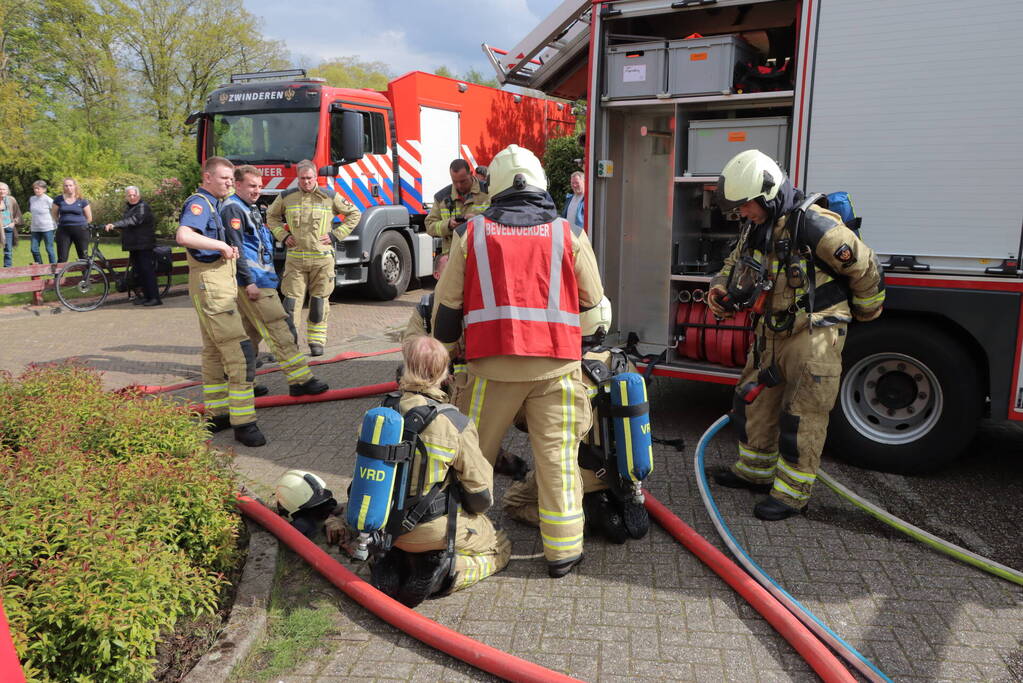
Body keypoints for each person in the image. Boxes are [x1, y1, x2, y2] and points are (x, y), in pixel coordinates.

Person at [432, 144, 604, 578]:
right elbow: (593, 302)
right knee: (558, 457)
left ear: (497, 187)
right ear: (540, 183)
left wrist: (445, 353)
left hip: (492, 368)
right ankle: (563, 552)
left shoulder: (472, 232)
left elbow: (448, 309)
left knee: (473, 456)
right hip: (558, 369)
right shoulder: (568, 233)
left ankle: (460, 536)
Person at [706, 149, 885, 521]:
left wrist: (868, 311)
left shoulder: (815, 225)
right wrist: (719, 291)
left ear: (768, 194)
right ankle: (754, 472)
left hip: (814, 330)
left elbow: (865, 266)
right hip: (771, 330)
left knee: (802, 413)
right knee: (753, 401)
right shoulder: (757, 226)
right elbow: (732, 265)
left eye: (745, 205)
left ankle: (792, 494)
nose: (741, 213)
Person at [327, 334, 510, 607]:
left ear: (403, 369)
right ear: (444, 374)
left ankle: (390, 560)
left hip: (383, 525)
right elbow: (481, 494)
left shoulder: (379, 414)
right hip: (434, 530)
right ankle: (448, 572)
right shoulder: (454, 423)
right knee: (501, 544)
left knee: (400, 540)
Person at [501, 297, 651, 543]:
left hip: (573, 473)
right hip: (623, 471)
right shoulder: (624, 364)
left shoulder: (556, 370)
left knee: (513, 502)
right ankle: (611, 497)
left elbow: (525, 423)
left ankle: (582, 517)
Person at [175, 156, 266, 448]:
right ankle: (244, 423)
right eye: (225, 178)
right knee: (240, 353)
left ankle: (218, 414)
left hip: (211, 285)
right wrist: (221, 245)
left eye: (231, 179)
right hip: (211, 285)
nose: (230, 182)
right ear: (207, 177)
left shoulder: (213, 204)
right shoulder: (199, 203)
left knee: (213, 352)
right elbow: (184, 235)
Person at [221, 165, 330, 398]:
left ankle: (241, 380)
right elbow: (238, 248)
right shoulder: (233, 209)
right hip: (254, 283)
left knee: (250, 334)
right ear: (237, 184)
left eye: (259, 186)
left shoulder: (246, 207)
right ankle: (300, 380)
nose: (257, 191)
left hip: (260, 280)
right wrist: (249, 282)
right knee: (280, 328)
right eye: (251, 186)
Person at [266, 160, 361, 357]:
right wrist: (283, 236)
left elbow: (354, 213)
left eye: (310, 178)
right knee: (291, 304)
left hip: (322, 260)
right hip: (296, 261)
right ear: (298, 178)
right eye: (302, 178)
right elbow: (271, 217)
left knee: (319, 302)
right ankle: (289, 345)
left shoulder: (329, 196)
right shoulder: (286, 197)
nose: (306, 182)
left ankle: (316, 341)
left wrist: (336, 235)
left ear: (315, 177)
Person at [425, 158, 490, 267]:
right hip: (453, 260)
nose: (459, 185)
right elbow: (429, 225)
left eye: (463, 181)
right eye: (454, 181)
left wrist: (477, 220)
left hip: (480, 258)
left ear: (470, 174)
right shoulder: (441, 198)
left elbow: (500, 219)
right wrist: (448, 225)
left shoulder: (488, 192)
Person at [105, 186, 161, 306]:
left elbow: (135, 220)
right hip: (134, 245)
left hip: (144, 245)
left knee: (147, 272)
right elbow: (128, 223)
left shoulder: (142, 207)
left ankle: (155, 298)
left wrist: (115, 224)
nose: (131, 197)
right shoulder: (129, 208)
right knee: (139, 272)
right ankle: (146, 297)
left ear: (138, 195)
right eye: (129, 195)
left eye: (133, 195)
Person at [51, 177, 92, 263]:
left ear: (75, 186)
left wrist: (81, 225)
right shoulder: (58, 199)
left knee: (83, 257)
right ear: (63, 187)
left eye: (70, 185)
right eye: (66, 186)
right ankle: (58, 276)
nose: (68, 187)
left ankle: (86, 276)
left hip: (81, 231)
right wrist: (63, 222)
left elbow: (89, 218)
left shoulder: (82, 200)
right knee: (62, 257)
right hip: (64, 231)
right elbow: (54, 214)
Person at [28, 181, 56, 264]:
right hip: (35, 228)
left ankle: (54, 270)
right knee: (34, 249)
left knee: (49, 249)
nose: (36, 190)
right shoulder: (32, 199)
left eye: (38, 188)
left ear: (44, 189)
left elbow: (56, 212)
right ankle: (40, 267)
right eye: (35, 188)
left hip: (48, 228)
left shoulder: (49, 200)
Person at [0, 182, 22, 268]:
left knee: (8, 250)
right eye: (0, 189)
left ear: (7, 190)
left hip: (8, 228)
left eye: (3, 189)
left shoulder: (11, 200)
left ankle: (8, 268)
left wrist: (13, 223)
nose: (1, 191)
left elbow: (18, 214)